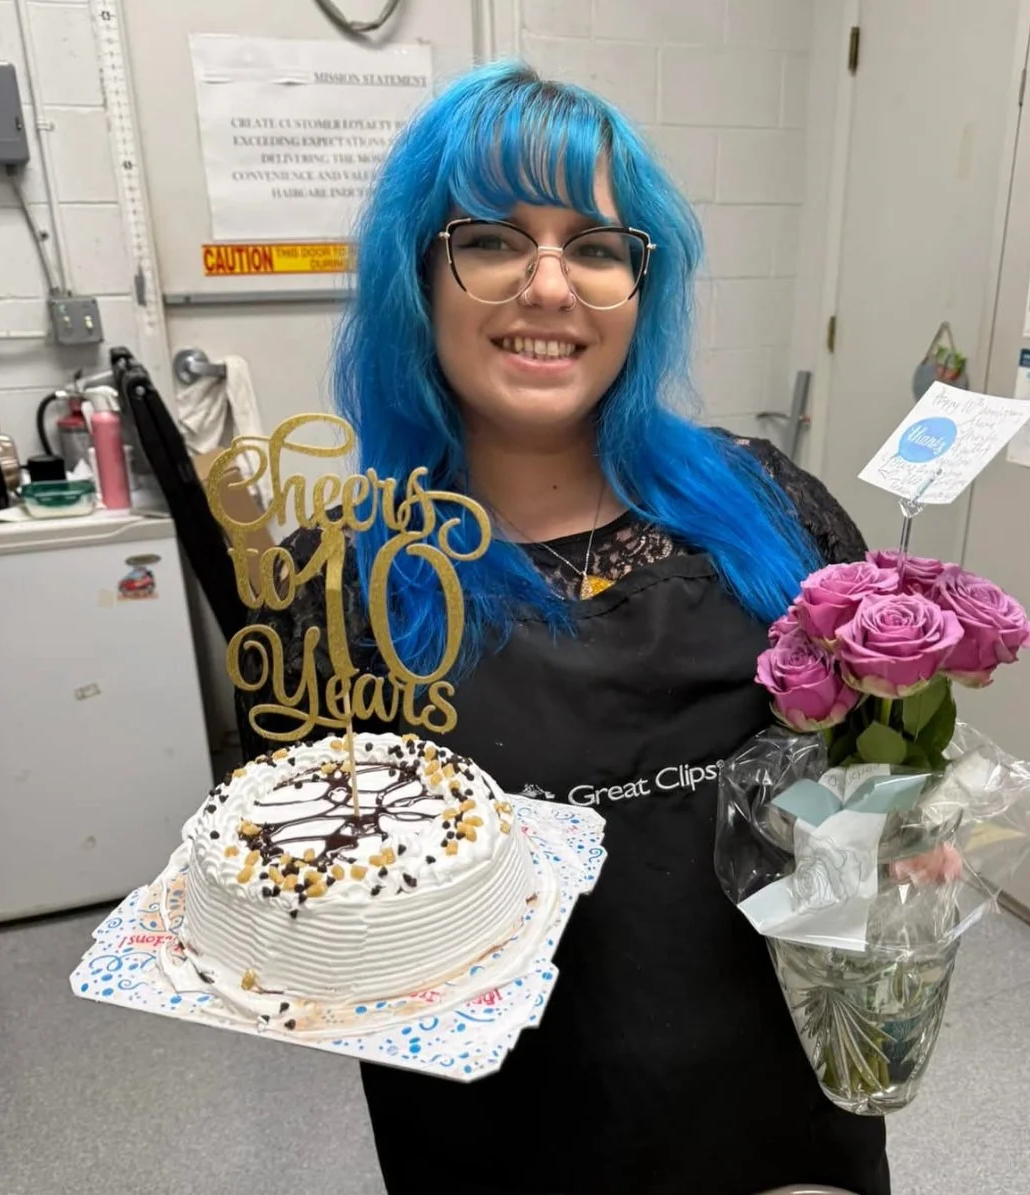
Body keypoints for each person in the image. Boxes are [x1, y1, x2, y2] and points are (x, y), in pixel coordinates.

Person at [238, 62, 889, 1195]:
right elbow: (296, 896)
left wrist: (916, 841)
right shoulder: (342, 586)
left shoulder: (770, 510)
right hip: (503, 1138)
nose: (551, 286)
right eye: (493, 238)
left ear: (642, 286)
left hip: (780, 1117)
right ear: (421, 275)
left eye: (595, 246)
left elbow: (879, 776)